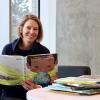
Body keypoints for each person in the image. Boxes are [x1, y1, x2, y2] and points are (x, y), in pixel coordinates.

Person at [1, 14, 57, 100]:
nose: (32, 32)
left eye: (35, 29)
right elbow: (2, 80)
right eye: (28, 28)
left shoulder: (44, 51)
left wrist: (37, 86)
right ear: (21, 29)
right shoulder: (7, 49)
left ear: (38, 32)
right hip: (10, 95)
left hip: (34, 94)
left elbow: (47, 82)